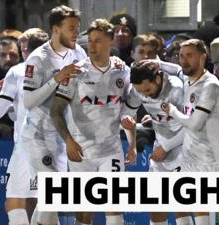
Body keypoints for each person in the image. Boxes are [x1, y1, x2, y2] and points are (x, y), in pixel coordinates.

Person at [6, 5, 86, 225]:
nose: (76, 33)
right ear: (55, 29)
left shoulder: (78, 52)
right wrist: (57, 78)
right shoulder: (38, 59)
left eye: (77, 28)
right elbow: (29, 101)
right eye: (71, 28)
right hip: (36, 136)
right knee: (54, 193)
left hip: (60, 137)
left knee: (51, 200)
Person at [51, 18, 136, 225]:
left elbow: (128, 111)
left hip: (111, 149)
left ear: (111, 42)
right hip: (81, 151)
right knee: (84, 214)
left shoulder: (123, 72)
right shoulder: (76, 72)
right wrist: (69, 141)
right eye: (89, 41)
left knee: (114, 209)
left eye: (98, 41)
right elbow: (55, 111)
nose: (92, 45)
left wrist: (132, 144)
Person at [161, 39, 219, 225]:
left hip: (215, 159)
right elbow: (175, 69)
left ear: (203, 57)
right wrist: (156, 63)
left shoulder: (211, 85)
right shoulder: (188, 79)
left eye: (189, 55)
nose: (184, 60)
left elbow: (195, 123)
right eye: (181, 56)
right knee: (195, 209)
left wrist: (172, 111)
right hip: (191, 158)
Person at [0, 28, 49, 222]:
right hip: (54, 147)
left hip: (27, 146)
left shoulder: (18, 71)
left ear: (25, 49)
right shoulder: (61, 70)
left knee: (14, 202)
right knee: (45, 204)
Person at [126, 62, 194, 225]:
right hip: (161, 151)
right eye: (141, 92)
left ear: (158, 79)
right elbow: (128, 113)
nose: (145, 95)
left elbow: (193, 126)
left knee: (181, 206)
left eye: (147, 90)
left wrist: (165, 147)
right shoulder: (138, 89)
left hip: (184, 149)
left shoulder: (178, 89)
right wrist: (132, 140)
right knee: (156, 208)